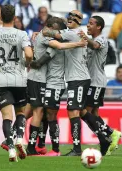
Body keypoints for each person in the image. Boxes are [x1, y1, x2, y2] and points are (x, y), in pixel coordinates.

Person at [42, 10, 111, 156]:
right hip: (77, 78)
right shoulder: (76, 33)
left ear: (80, 21)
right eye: (69, 17)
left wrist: (41, 31)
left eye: (74, 17)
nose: (70, 19)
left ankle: (78, 148)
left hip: (79, 78)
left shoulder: (74, 33)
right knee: (82, 111)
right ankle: (103, 137)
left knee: (73, 111)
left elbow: (52, 34)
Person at [25, 17, 87, 156]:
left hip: (55, 84)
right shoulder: (58, 41)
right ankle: (41, 145)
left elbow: (42, 60)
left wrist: (34, 63)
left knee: (50, 115)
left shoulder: (57, 44)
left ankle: (55, 149)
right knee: (44, 115)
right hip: (48, 82)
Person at [0, 4, 33, 162]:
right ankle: (19, 137)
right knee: (20, 113)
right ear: (14, 17)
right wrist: (26, 62)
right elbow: (28, 54)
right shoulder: (21, 34)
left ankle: (11, 148)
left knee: (6, 117)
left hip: (2, 81)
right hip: (19, 79)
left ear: (0, 17)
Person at [81, 15, 121, 155]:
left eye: (91, 23)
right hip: (91, 80)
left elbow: (96, 46)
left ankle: (109, 134)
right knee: (95, 113)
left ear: (99, 27)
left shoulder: (102, 39)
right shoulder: (90, 40)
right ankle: (109, 136)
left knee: (84, 111)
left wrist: (85, 39)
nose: (87, 25)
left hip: (96, 81)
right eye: (88, 23)